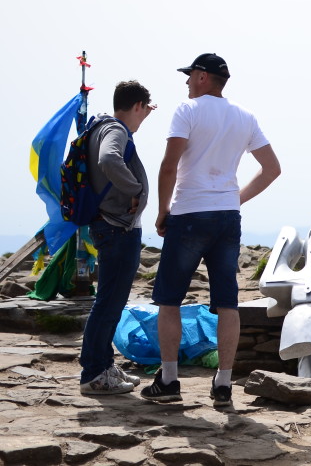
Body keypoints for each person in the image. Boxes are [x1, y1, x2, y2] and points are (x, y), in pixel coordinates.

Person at [141, 54, 281, 407]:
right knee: (227, 302)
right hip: (227, 217)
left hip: (189, 213)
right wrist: (235, 199)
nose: (186, 82)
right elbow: (271, 169)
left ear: (203, 77)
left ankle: (170, 380)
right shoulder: (245, 117)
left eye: (190, 76)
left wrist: (161, 210)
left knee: (169, 299)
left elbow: (169, 166)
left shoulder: (187, 112)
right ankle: (223, 384)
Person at [78, 81, 156, 395]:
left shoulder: (99, 126)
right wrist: (135, 189)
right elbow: (109, 160)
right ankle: (94, 374)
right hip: (117, 227)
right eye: (146, 109)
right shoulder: (116, 130)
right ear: (137, 105)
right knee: (109, 303)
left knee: (109, 301)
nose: (146, 115)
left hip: (107, 224)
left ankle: (104, 364)